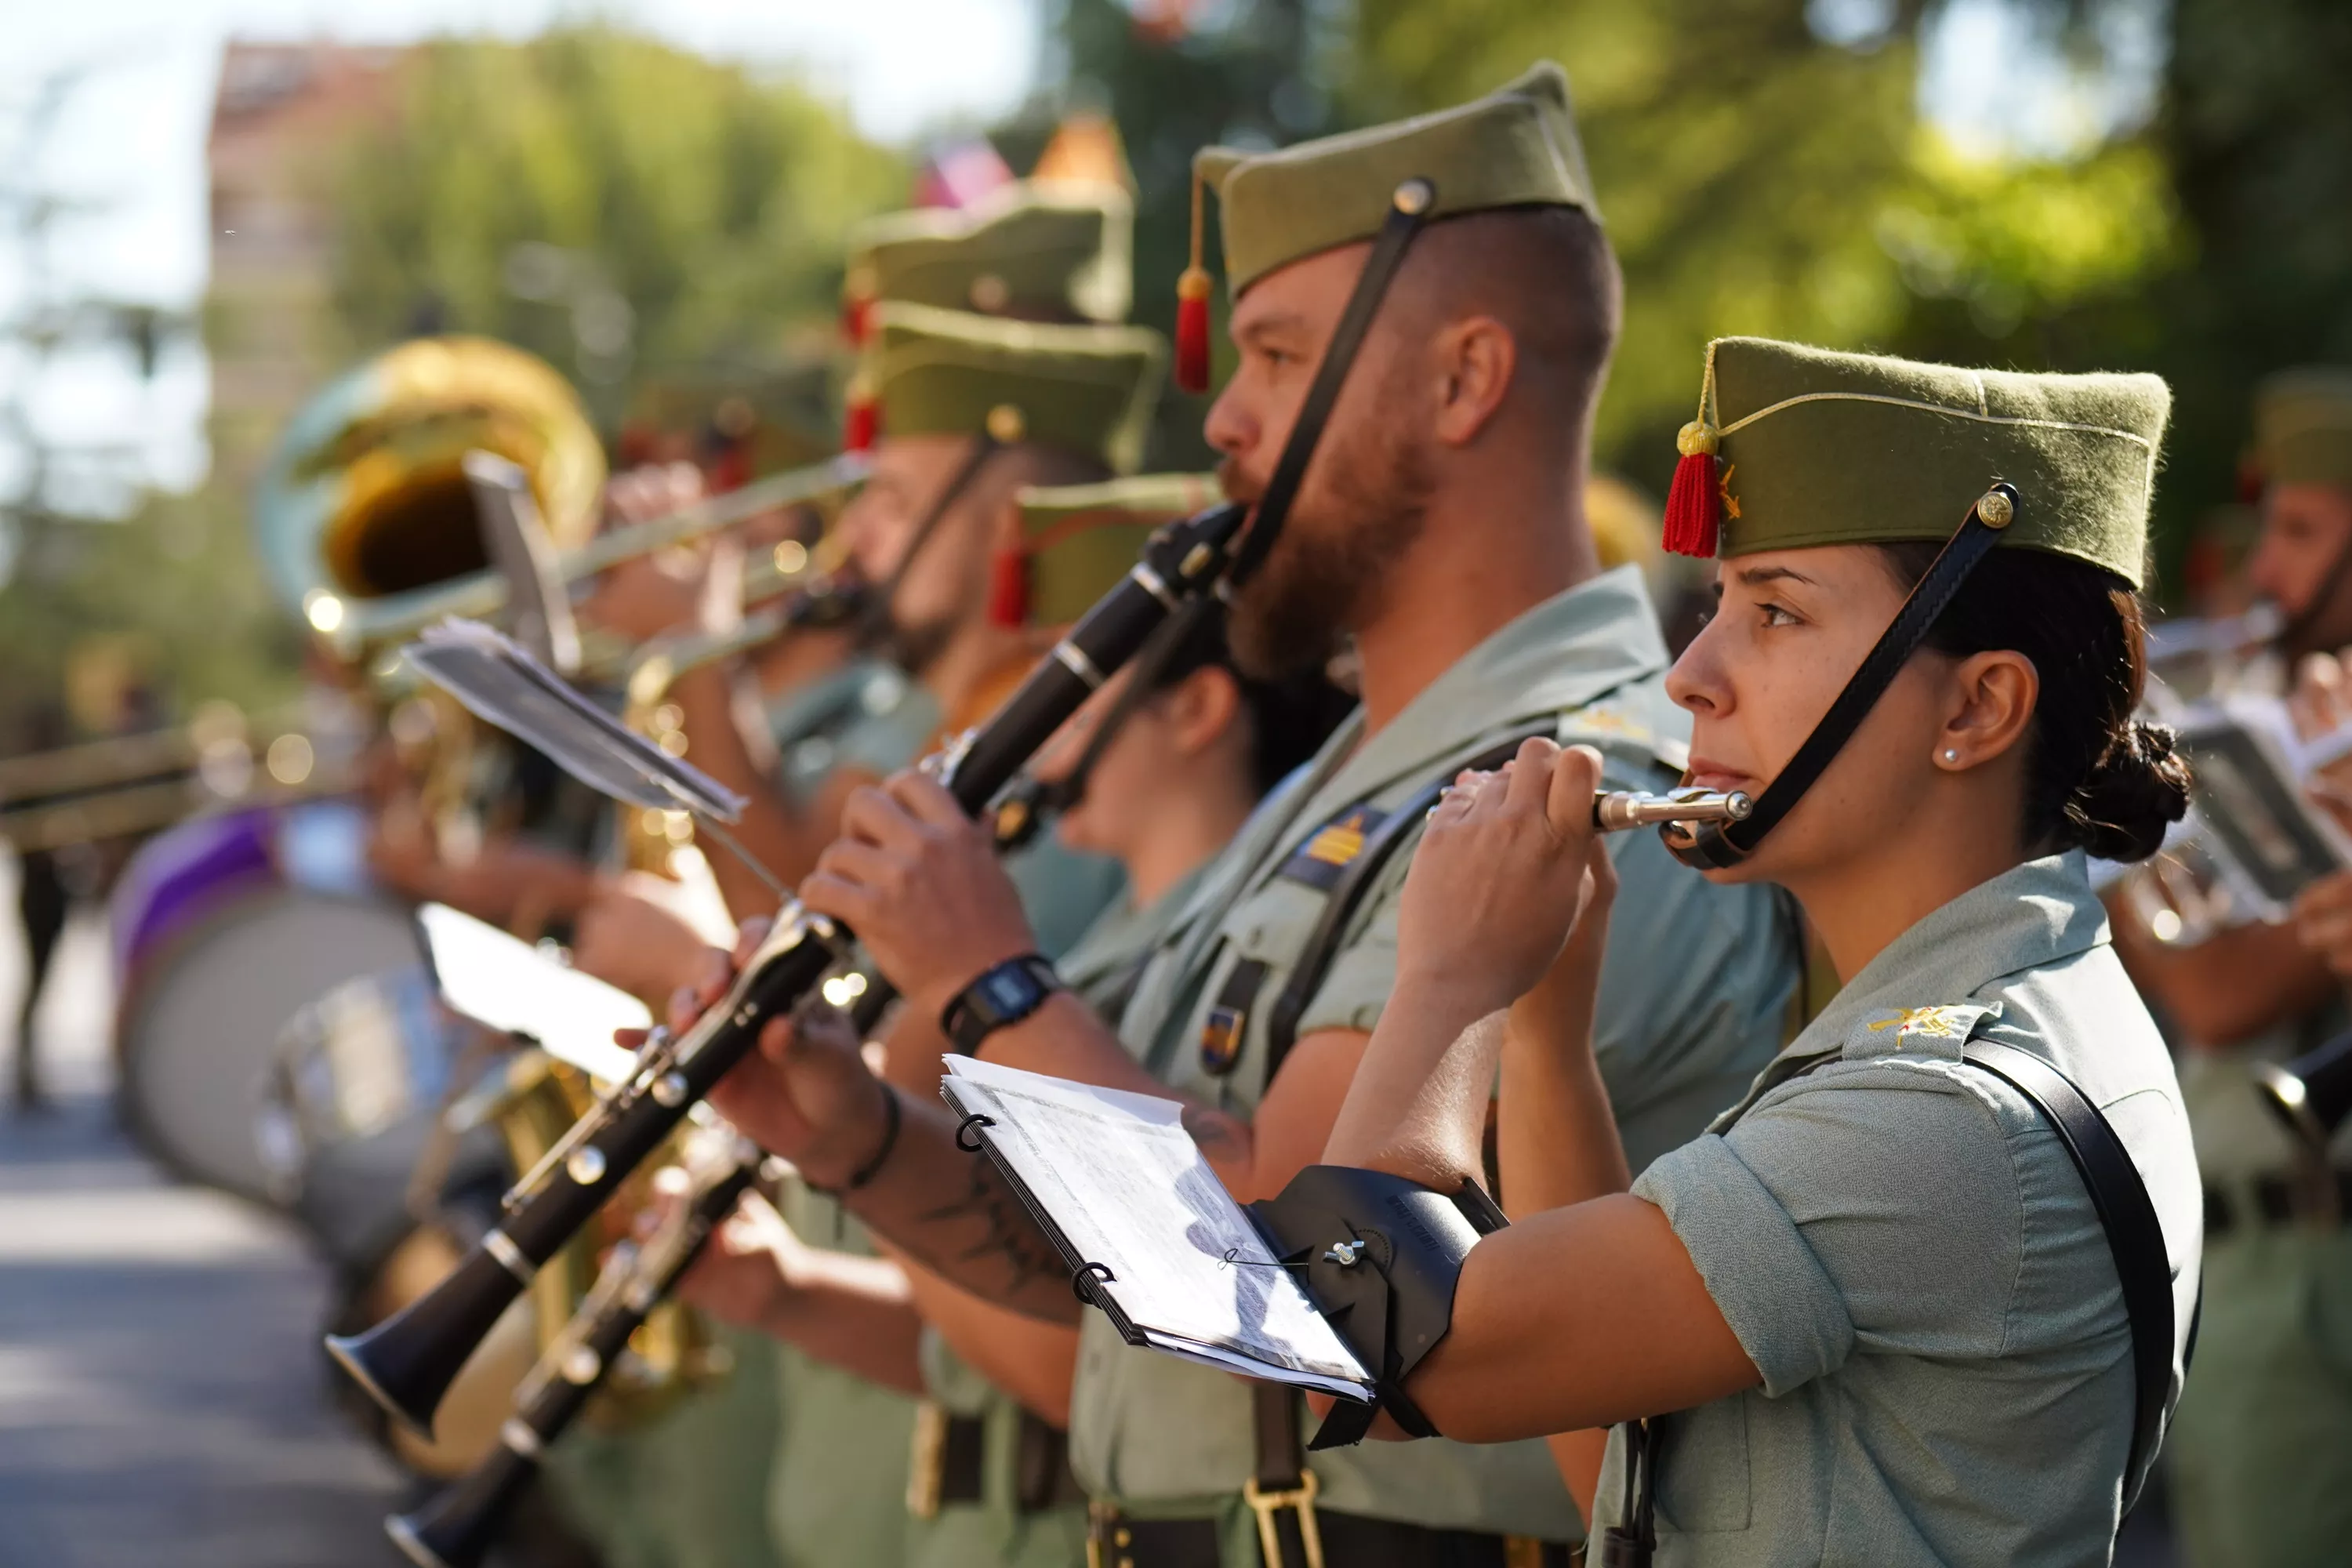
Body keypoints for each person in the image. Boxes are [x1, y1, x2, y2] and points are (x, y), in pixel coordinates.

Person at [673, 63, 1800, 1566]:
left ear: (1465, 381)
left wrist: (989, 982)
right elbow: (1117, 1274)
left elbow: (1293, 1265)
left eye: (1274, 357)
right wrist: (862, 1137)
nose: (1225, 422)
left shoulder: (1580, 787)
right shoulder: (1333, 790)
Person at [1294, 336, 2205, 1565]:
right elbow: (1610, 1457)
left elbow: (1363, 1349)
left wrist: (1449, 980)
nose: (1690, 677)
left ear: (1977, 706)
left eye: (1775, 612)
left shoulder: (1940, 1113)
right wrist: (1551, 1036)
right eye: (1720, 606)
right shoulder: (1997, 1013)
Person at [675, 481, 1351, 1568]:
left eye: (1073, 691)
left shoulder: (1129, 953)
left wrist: (966, 1000)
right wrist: (845, 1163)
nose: (1032, 732)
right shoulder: (1124, 949)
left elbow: (1082, 1351)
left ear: (1196, 707)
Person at [2125, 366, 2352, 1568]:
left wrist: (2096, 833)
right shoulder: (2290, 712)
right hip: (2242, 1264)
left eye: (2306, 532)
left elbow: (2221, 992)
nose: (2268, 572)